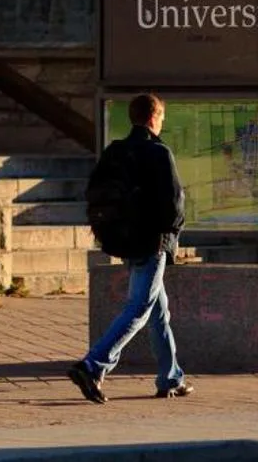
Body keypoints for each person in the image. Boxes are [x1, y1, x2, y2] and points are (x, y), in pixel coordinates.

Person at [68, 93, 189, 404]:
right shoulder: (158, 151)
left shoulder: (116, 151)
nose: (162, 123)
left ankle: (170, 377)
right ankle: (92, 366)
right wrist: (171, 234)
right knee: (139, 308)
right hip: (151, 243)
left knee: (158, 310)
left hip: (123, 239)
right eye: (161, 118)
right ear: (153, 118)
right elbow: (175, 206)